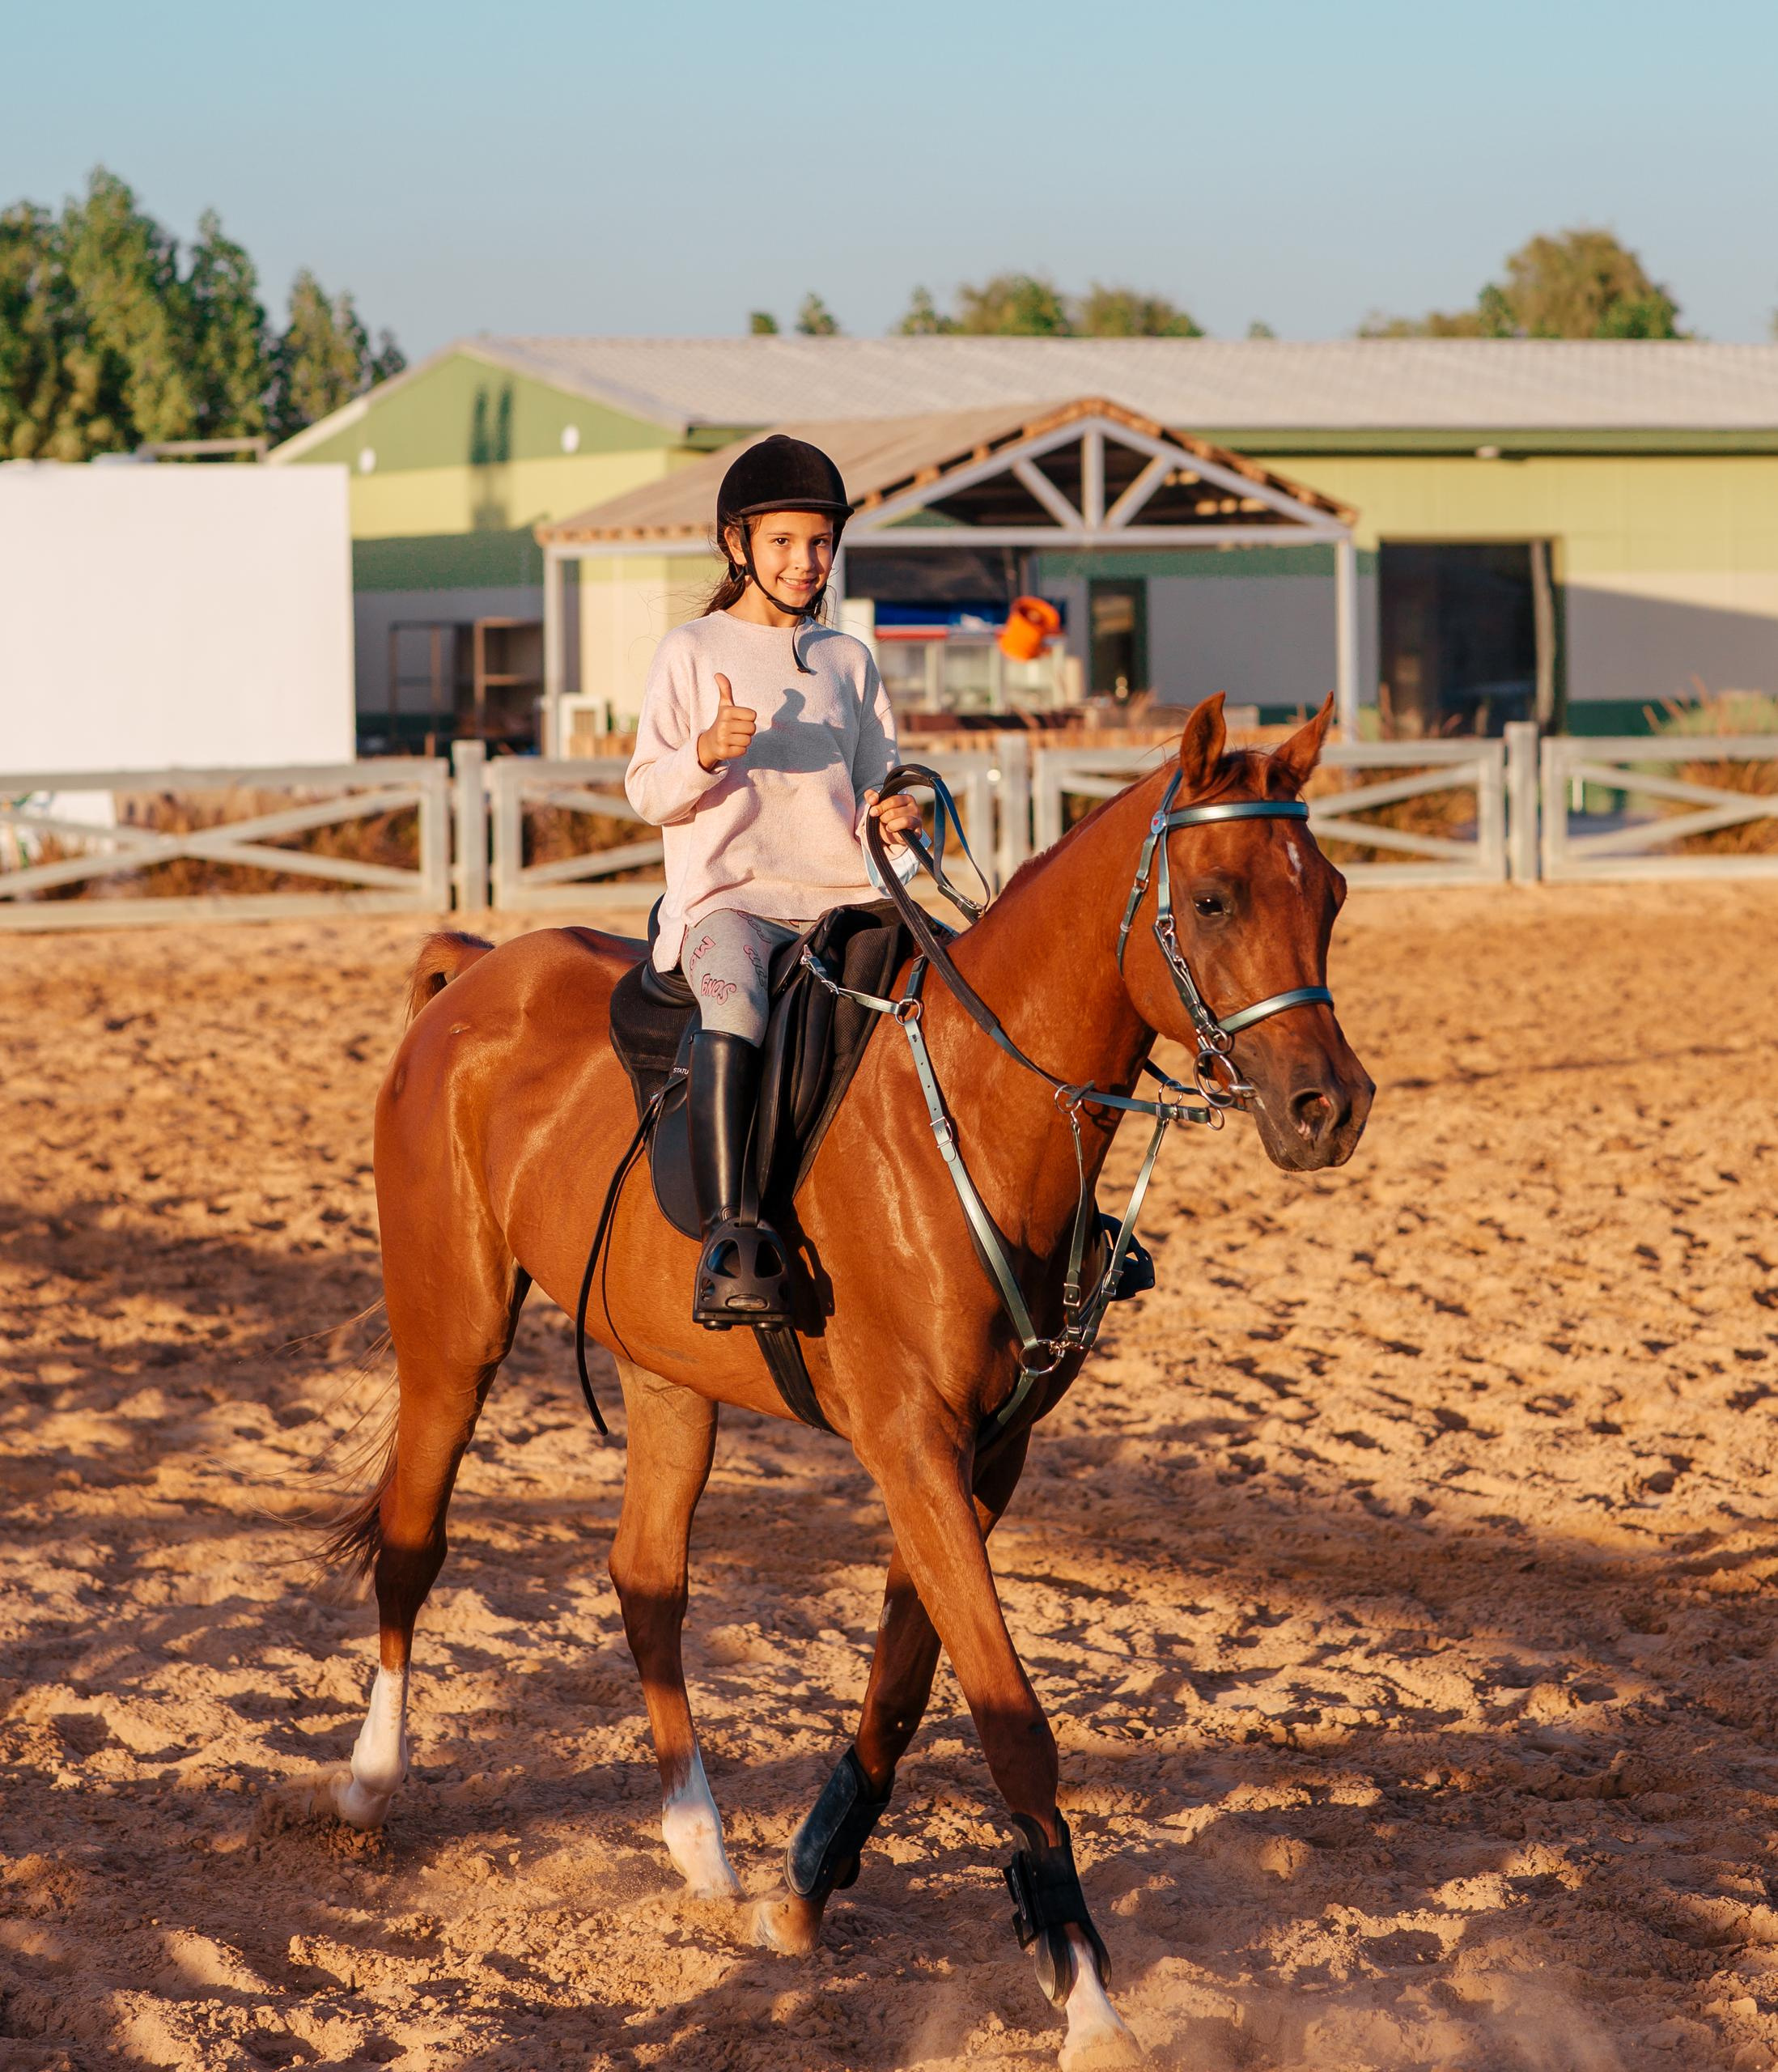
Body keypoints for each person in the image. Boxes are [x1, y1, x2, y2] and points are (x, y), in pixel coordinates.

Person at [624, 435, 921, 1328]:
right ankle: (730, 1238)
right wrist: (705, 754)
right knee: (738, 1010)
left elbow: (881, 784)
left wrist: (897, 824)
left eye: (820, 542)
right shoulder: (690, 649)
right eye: (784, 542)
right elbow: (646, 791)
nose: (805, 562)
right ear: (736, 544)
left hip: (844, 900)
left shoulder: (849, 661)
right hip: (734, 906)